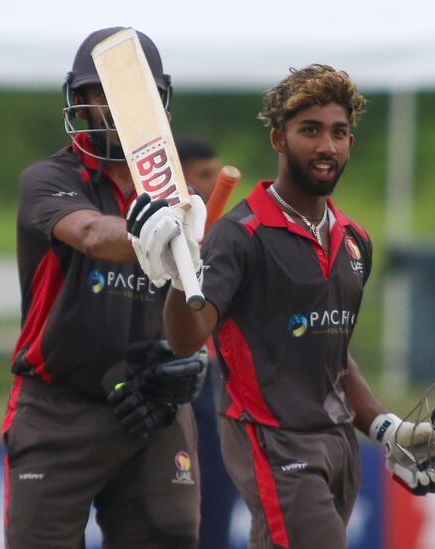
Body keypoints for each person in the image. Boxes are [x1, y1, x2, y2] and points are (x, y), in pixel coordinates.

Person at [128, 65, 435, 549]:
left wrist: (386, 428)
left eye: (339, 133)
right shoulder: (241, 236)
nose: (327, 146)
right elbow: (186, 339)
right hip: (273, 442)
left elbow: (330, 352)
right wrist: (179, 275)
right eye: (310, 131)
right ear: (279, 139)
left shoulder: (355, 243)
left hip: (339, 445)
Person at [1, 27, 207, 549]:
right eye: (101, 94)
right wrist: (151, 233)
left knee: (171, 536)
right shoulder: (47, 178)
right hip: (58, 406)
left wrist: (186, 365)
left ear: (157, 102)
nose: (114, 107)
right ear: (81, 100)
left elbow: (199, 317)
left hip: (150, 404)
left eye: (128, 96)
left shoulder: (182, 197)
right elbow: (92, 233)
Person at [176, 136, 240, 549]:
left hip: (215, 381)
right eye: (202, 176)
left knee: (218, 502)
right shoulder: (151, 228)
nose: (212, 186)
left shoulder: (225, 232)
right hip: (169, 379)